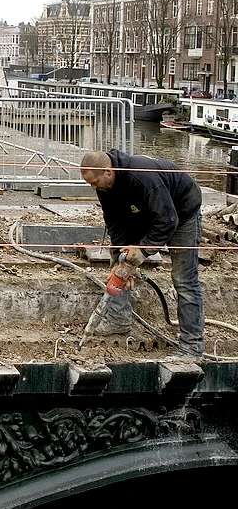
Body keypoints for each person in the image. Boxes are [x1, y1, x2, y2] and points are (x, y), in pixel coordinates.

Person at [80, 149, 204, 360]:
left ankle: (192, 346)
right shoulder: (104, 186)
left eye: (95, 182)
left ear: (108, 172)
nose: (93, 188)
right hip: (144, 210)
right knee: (120, 260)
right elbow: (114, 221)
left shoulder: (142, 176)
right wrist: (123, 258)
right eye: (90, 184)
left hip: (181, 213)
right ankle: (118, 319)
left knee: (184, 280)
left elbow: (168, 220)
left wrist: (142, 252)